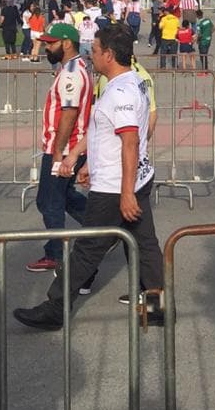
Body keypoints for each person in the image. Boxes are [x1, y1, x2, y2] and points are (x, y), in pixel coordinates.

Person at [13, 24, 162, 330]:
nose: (90, 55)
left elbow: (130, 141)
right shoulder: (130, 81)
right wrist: (85, 161)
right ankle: (156, 306)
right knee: (145, 244)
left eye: (94, 50)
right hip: (131, 178)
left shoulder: (120, 91)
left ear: (109, 54)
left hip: (116, 186)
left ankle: (56, 308)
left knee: (86, 250)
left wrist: (125, 192)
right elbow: (105, 132)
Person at [24, 24, 91, 274]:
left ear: (67, 43)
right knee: (61, 196)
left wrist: (59, 151)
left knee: (49, 201)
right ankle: (103, 229)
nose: (46, 47)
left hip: (64, 147)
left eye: (51, 43)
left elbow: (69, 113)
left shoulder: (71, 73)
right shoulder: (73, 68)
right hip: (67, 146)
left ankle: (57, 255)